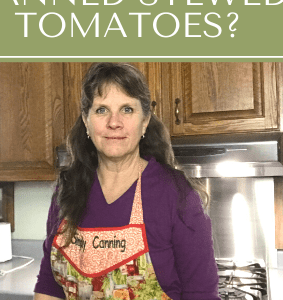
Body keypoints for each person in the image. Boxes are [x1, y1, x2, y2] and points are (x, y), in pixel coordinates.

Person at [34, 63, 220, 300]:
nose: (114, 122)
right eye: (101, 110)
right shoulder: (68, 190)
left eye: (127, 109)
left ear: (144, 122)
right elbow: (49, 286)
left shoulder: (175, 195)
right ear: (86, 121)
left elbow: (201, 294)